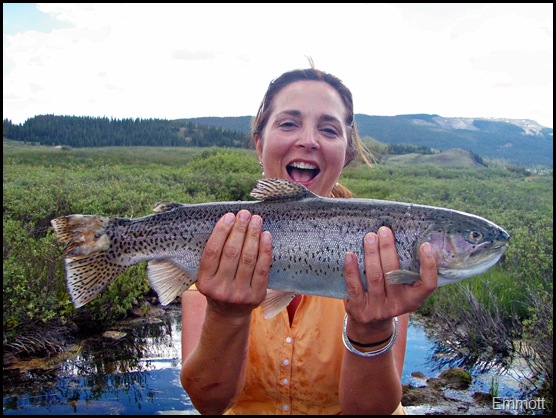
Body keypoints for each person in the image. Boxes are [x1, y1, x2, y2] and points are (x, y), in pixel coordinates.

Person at [180, 66, 438, 415]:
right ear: (260, 143)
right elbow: (209, 402)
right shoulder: (221, 243)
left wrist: (371, 329)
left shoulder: (380, 248)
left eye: (328, 129)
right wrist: (227, 316)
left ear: (346, 154)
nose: (308, 140)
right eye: (289, 124)